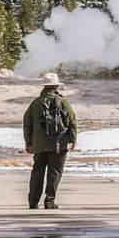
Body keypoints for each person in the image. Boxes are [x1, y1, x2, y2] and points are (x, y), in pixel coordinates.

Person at [22, 71, 77, 209]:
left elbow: (27, 124)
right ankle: (49, 201)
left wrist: (28, 143)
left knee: (37, 172)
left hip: (39, 145)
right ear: (56, 86)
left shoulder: (35, 103)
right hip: (59, 143)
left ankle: (33, 202)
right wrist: (73, 140)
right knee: (55, 172)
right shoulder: (62, 101)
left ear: (44, 86)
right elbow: (72, 121)